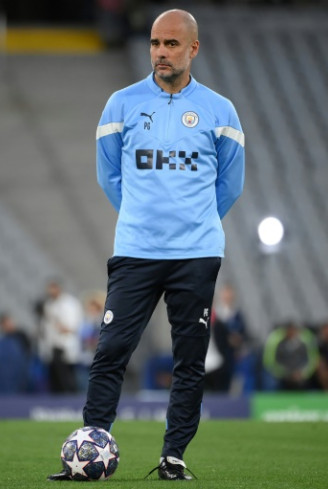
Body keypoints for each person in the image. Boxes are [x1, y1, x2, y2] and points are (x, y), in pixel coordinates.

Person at [49, 9, 245, 481]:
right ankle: (88, 450)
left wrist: (193, 226)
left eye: (171, 44)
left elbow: (230, 185)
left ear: (193, 49)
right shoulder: (121, 103)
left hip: (196, 254)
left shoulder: (221, 110)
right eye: (155, 43)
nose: (160, 51)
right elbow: (109, 176)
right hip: (137, 250)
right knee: (111, 349)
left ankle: (173, 456)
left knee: (189, 359)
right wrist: (143, 219)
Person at [204, 284, 250, 393]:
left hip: (228, 356)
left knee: (226, 386)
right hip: (214, 355)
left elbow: (243, 334)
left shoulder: (237, 314)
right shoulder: (215, 314)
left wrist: (237, 340)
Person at [39, 280, 82, 394]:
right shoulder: (49, 304)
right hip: (52, 346)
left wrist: (57, 324)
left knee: (67, 379)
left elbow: (72, 326)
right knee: (55, 380)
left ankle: (71, 405)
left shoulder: (70, 303)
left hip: (65, 345)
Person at [263, 322, 319, 390]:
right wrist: (287, 373)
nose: (291, 333)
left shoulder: (302, 345)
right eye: (290, 331)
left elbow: (307, 361)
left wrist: (301, 373)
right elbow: (276, 362)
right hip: (283, 374)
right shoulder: (280, 345)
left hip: (299, 374)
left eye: (293, 330)